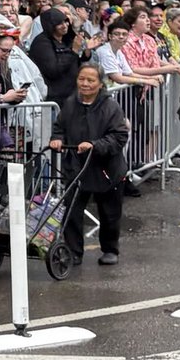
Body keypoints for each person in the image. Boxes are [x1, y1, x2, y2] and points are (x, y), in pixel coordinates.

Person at [50, 63, 130, 266]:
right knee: (72, 211)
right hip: (76, 167)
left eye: (90, 80)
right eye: (81, 79)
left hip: (106, 169)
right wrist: (57, 138)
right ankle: (74, 251)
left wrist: (95, 145)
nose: (84, 84)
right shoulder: (70, 103)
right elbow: (59, 126)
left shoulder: (111, 107)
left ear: (100, 83)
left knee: (109, 213)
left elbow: (119, 136)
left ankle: (110, 249)